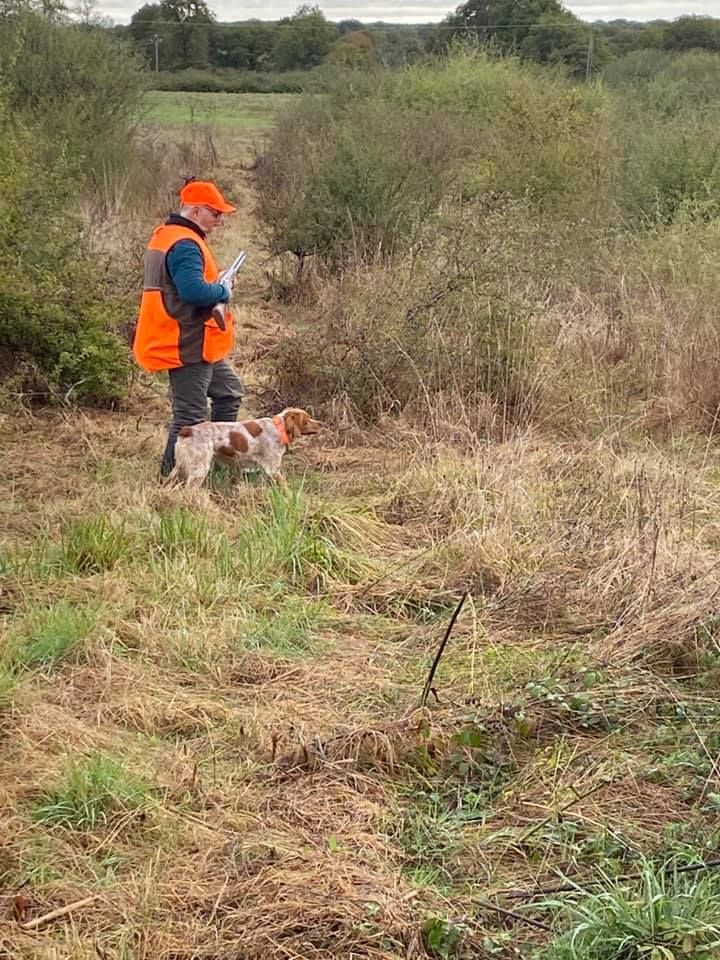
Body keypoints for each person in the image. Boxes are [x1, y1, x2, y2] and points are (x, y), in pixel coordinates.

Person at [133, 178, 245, 477]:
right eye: (215, 212)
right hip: (186, 341)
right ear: (195, 211)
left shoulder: (170, 236)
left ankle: (218, 465)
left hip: (195, 338)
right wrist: (223, 291)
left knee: (229, 393)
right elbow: (193, 292)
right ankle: (172, 479)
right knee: (190, 416)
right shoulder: (184, 244)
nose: (220, 219)